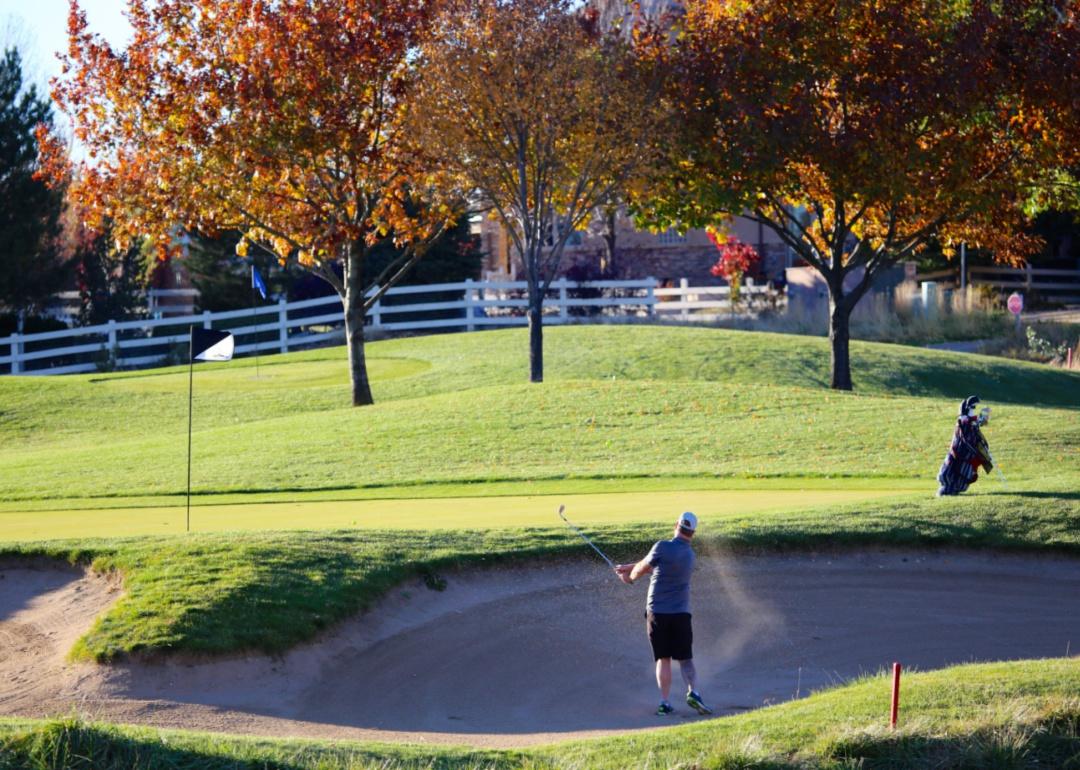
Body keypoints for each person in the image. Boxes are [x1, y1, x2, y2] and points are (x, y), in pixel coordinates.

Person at [615, 511, 713, 717]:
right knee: (686, 658)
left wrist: (629, 577)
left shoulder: (662, 546)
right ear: (692, 533)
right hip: (681, 614)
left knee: (663, 658)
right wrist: (630, 567)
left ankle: (665, 703)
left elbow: (645, 567)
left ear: (676, 525)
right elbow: (657, 567)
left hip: (657, 612)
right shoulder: (689, 555)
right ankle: (693, 692)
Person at [937, 395, 994, 496]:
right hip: (960, 453)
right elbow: (968, 424)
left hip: (965, 454)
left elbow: (976, 423)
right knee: (956, 469)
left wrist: (982, 418)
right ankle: (948, 490)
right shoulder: (963, 421)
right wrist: (979, 419)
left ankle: (953, 489)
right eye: (972, 408)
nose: (973, 410)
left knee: (963, 470)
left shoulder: (968, 422)